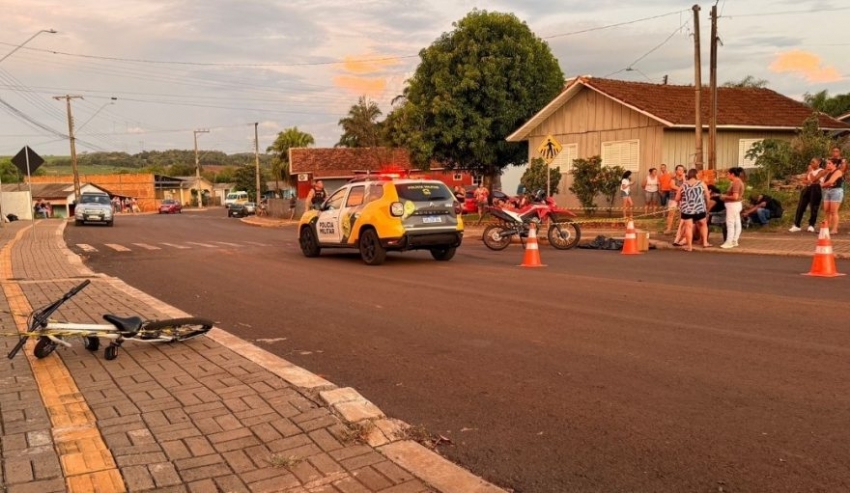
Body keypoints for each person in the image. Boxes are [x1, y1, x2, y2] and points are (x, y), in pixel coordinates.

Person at [673, 169, 711, 251]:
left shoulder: (683, 185)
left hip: (687, 210)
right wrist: (707, 207)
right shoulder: (702, 184)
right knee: (703, 225)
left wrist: (682, 200)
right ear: (696, 174)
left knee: (688, 227)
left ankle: (689, 247)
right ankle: (705, 242)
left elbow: (676, 198)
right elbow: (708, 197)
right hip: (699, 209)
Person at [790, 158, 824, 233]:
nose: (811, 163)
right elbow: (804, 180)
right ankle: (797, 225)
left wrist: (810, 173)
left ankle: (811, 225)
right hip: (807, 188)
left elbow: (814, 180)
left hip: (816, 189)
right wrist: (809, 179)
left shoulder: (821, 171)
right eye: (811, 162)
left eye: (813, 162)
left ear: (818, 163)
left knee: (814, 207)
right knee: (800, 207)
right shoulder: (809, 170)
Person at [720, 167, 745, 249]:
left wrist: (724, 196)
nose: (727, 176)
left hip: (733, 205)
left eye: (728, 174)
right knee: (737, 222)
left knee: (730, 223)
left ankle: (729, 242)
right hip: (736, 205)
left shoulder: (736, 182)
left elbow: (735, 197)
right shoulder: (738, 181)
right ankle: (734, 240)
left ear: (732, 174)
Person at [820, 157, 844, 234]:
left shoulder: (838, 171)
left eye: (829, 163)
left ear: (835, 164)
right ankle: (826, 227)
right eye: (827, 163)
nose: (827, 165)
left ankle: (834, 229)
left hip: (836, 191)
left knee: (834, 211)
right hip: (828, 191)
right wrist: (825, 173)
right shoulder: (828, 172)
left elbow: (831, 181)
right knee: (827, 210)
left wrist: (823, 185)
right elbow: (823, 181)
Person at [664, 165, 685, 234]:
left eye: (682, 170)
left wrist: (684, 178)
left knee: (682, 214)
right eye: (679, 169)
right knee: (671, 213)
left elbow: (686, 186)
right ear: (676, 171)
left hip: (682, 198)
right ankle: (668, 229)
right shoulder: (673, 178)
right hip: (673, 198)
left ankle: (679, 230)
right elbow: (672, 185)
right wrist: (680, 189)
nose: (681, 171)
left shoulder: (685, 179)